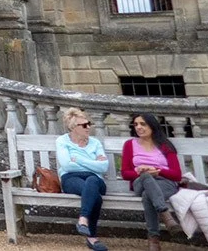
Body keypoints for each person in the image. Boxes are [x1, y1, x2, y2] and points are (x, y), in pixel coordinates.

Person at [122, 112, 181, 251]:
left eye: (143, 124)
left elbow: (177, 175)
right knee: (146, 177)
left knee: (148, 195)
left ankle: (153, 239)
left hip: (164, 183)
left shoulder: (165, 145)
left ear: (152, 126)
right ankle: (166, 215)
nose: (138, 127)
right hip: (140, 182)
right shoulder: (130, 144)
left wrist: (158, 171)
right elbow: (125, 173)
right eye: (136, 124)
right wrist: (139, 171)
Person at [56, 107, 110, 251]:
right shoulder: (62, 141)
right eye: (84, 125)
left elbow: (104, 167)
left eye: (89, 123)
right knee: (95, 197)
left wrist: (78, 159)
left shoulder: (95, 143)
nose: (88, 127)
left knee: (92, 181)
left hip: (96, 180)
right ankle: (92, 238)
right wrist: (93, 164)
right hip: (71, 178)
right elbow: (66, 165)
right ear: (73, 127)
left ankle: (83, 220)